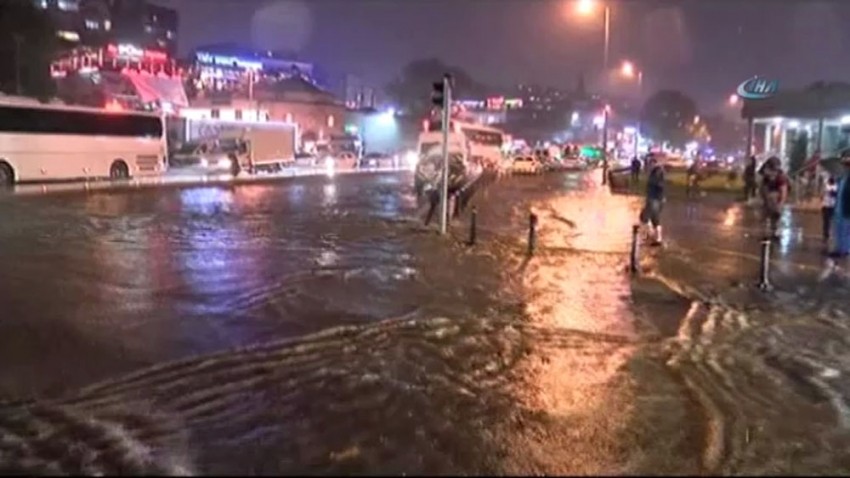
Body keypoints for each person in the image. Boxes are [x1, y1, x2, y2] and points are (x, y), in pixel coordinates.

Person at [759, 157, 789, 239]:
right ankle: (767, 233)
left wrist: (781, 203)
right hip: (767, 199)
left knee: (775, 217)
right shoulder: (766, 177)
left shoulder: (780, 177)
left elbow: (783, 190)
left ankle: (775, 233)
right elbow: (762, 186)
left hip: (774, 199)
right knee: (765, 217)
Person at [639, 160, 666, 246]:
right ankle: (656, 237)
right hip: (655, 199)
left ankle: (650, 236)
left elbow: (659, 185)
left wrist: (659, 197)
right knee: (654, 218)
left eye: (650, 163)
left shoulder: (657, 171)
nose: (649, 165)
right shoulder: (655, 172)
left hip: (654, 199)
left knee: (645, 217)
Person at [822, 175, 838, 247]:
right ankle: (826, 236)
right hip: (826, 206)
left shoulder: (836, 186)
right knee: (826, 222)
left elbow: (834, 194)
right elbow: (823, 194)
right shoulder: (826, 185)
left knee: (833, 222)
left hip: (833, 206)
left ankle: (834, 236)